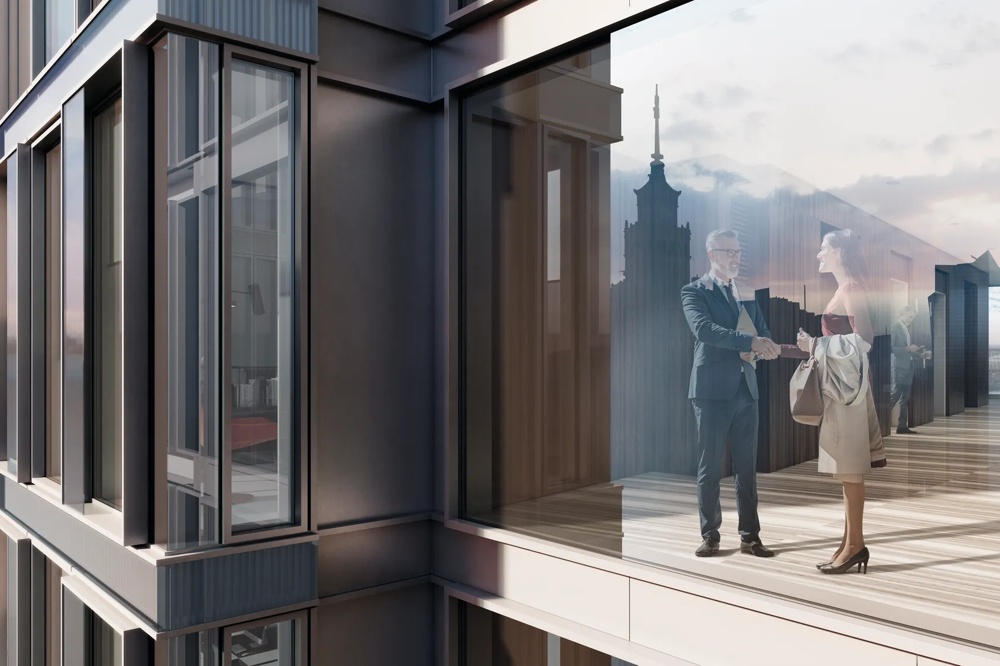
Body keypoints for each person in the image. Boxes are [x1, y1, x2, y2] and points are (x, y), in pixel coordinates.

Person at [788, 229, 886, 575]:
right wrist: (810, 344)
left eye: (823, 249)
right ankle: (848, 544)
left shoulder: (852, 289)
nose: (818, 254)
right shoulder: (843, 289)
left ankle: (856, 545)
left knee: (850, 471)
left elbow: (866, 339)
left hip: (849, 394)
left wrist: (815, 345)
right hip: (839, 389)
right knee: (846, 473)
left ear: (839, 253)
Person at [681, 229, 780, 558]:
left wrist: (761, 347)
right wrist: (748, 342)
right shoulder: (694, 291)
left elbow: (762, 330)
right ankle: (710, 535)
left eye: (738, 252)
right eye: (729, 252)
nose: (736, 257)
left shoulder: (746, 292)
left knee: (747, 469)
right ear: (711, 255)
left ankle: (750, 536)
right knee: (710, 467)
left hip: (745, 389)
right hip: (711, 391)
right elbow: (705, 330)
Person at [891, 306, 922, 435]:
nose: (911, 320)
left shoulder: (905, 329)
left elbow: (906, 350)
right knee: (894, 396)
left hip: (908, 367)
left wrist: (918, 353)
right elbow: (891, 348)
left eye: (913, 318)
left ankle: (902, 426)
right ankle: (877, 425)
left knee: (905, 398)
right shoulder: (895, 327)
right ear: (903, 313)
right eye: (910, 316)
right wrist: (908, 349)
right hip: (899, 367)